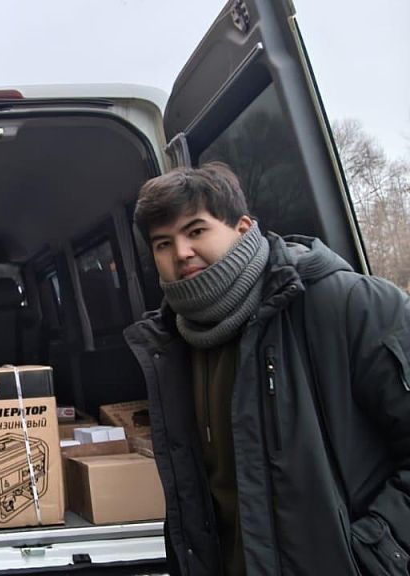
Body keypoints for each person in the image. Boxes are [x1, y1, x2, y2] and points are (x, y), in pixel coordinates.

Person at [124, 162, 410, 575]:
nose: (181, 252)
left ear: (243, 228)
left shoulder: (349, 305)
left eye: (196, 231)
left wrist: (378, 555)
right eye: (163, 243)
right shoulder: (172, 344)